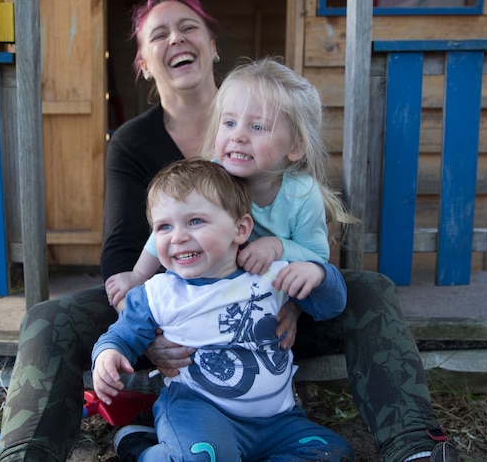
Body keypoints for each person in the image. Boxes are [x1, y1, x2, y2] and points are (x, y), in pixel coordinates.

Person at [0, 0, 459, 462]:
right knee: (48, 318)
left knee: (368, 288)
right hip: (175, 310)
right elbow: (123, 256)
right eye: (159, 35)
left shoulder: (273, 115)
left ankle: (414, 447)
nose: (175, 38)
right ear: (143, 62)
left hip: (267, 316)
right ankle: (25, 454)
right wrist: (155, 332)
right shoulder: (134, 142)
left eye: (188, 26)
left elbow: (314, 249)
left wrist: (295, 300)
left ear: (213, 46)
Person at [92, 158, 354, 461]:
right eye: (164, 226)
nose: (177, 237)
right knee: (206, 456)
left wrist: (318, 275)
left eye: (195, 221)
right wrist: (108, 355)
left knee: (332, 452)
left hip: (279, 420)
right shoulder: (158, 293)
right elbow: (122, 335)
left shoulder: (272, 275)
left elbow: (331, 306)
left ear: (240, 229)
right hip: (198, 412)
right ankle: (142, 453)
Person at [104, 57, 349, 311]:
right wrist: (139, 276)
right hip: (208, 289)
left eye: (257, 126)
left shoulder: (302, 194)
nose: (238, 136)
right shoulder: (209, 177)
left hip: (268, 297)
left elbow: (317, 258)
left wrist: (276, 247)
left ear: (295, 146)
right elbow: (168, 226)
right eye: (229, 123)